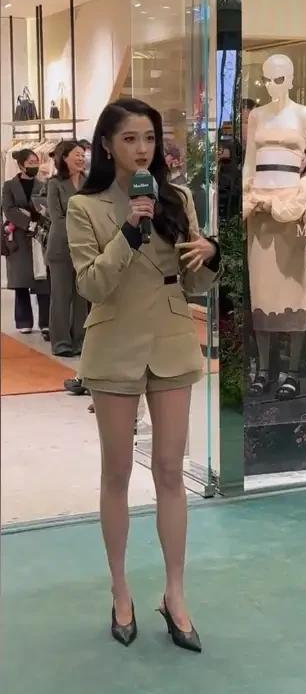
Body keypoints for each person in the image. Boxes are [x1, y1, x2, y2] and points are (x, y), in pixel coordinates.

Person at [66, 98, 220, 650]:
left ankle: (175, 593)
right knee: (116, 473)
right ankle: (120, 589)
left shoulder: (177, 198)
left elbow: (195, 285)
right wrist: (130, 231)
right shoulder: (84, 207)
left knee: (170, 472)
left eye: (150, 138)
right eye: (129, 139)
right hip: (113, 346)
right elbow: (91, 285)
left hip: (172, 341)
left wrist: (209, 255)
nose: (141, 149)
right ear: (107, 145)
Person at [1, 149, 50, 337]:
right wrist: (28, 221)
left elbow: (46, 207)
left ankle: (45, 321)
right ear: (21, 165)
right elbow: (9, 209)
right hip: (18, 237)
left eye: (36, 162)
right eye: (30, 163)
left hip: (39, 236)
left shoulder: (43, 184)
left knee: (43, 281)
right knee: (20, 281)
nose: (34, 166)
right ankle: (23, 321)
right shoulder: (9, 186)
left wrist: (35, 217)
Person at [46, 141, 88, 357]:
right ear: (64, 158)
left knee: (82, 296)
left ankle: (80, 340)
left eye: (83, 155)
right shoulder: (54, 184)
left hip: (86, 248)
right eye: (77, 155)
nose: (81, 158)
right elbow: (56, 217)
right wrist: (83, 228)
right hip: (61, 247)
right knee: (61, 296)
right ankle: (61, 342)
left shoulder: (89, 182)